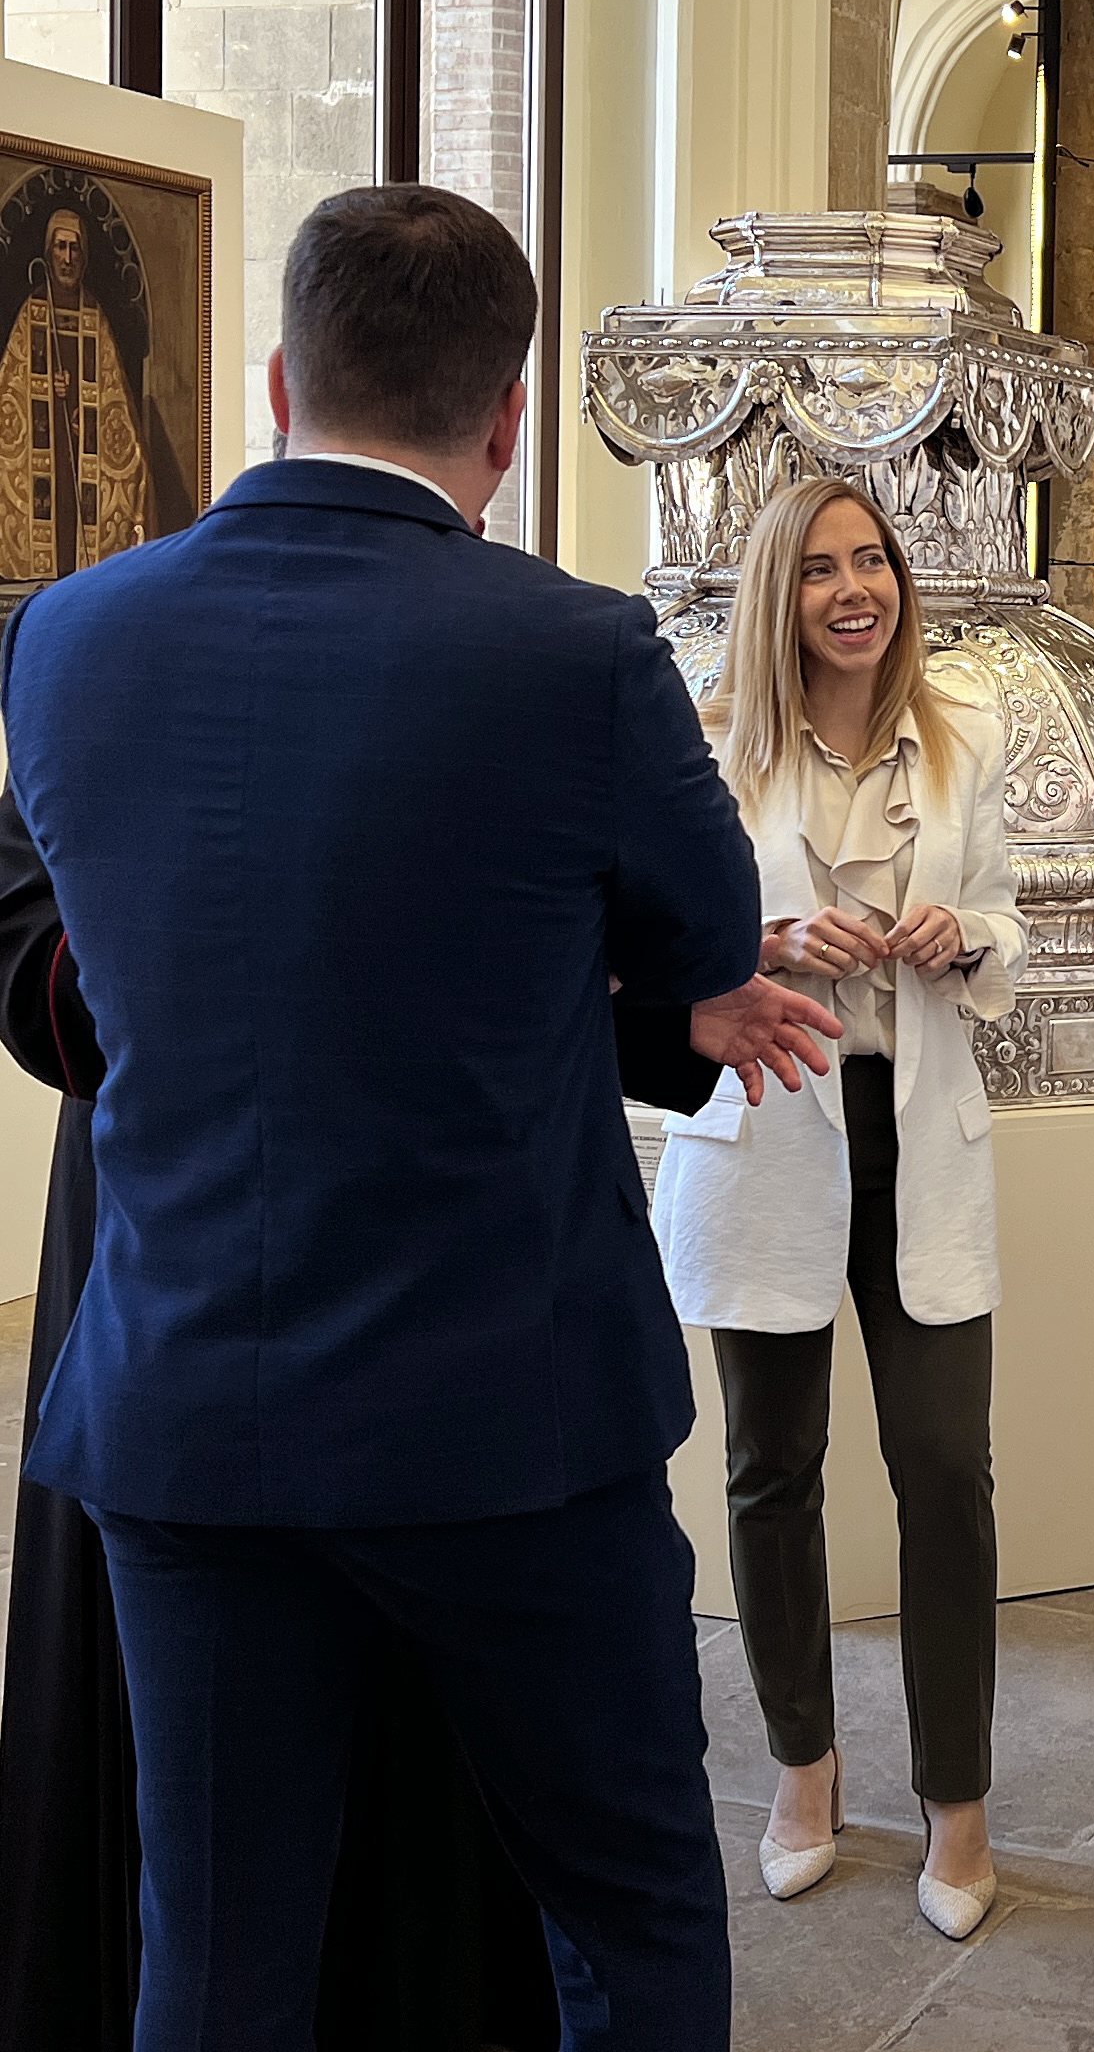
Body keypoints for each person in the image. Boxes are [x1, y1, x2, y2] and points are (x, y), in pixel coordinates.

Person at [1, 184, 839, 2046]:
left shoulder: (66, 635)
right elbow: (699, 942)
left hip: (188, 1410)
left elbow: (135, 940)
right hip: (506, 1420)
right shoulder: (576, 649)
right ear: (509, 416)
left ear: (278, 378)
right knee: (623, 1909)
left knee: (212, 1958)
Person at [0, 782, 735, 2050]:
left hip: (442, 1252)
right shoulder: (87, 683)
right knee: (216, 1886)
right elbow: (32, 961)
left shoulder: (500, 686)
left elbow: (590, 930)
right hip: (189, 1235)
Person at [651, 476, 1028, 1942]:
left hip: (916, 1138)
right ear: (777, 593)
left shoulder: (965, 736)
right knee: (769, 1467)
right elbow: (649, 946)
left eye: (872, 561)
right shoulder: (707, 749)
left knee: (945, 1469)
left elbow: (1006, 922)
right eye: (818, 569)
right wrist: (761, 939)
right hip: (767, 1127)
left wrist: (962, 931)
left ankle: (957, 1801)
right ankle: (802, 1769)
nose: (853, 589)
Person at [1, 206, 151, 581]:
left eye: (74, 248)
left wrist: (84, 412)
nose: (67, 258)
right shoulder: (32, 313)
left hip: (83, 461)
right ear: (48, 252)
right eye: (60, 247)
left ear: (84, 257)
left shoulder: (94, 318)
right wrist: (44, 393)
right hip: (43, 462)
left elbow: (116, 414)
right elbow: (9, 408)